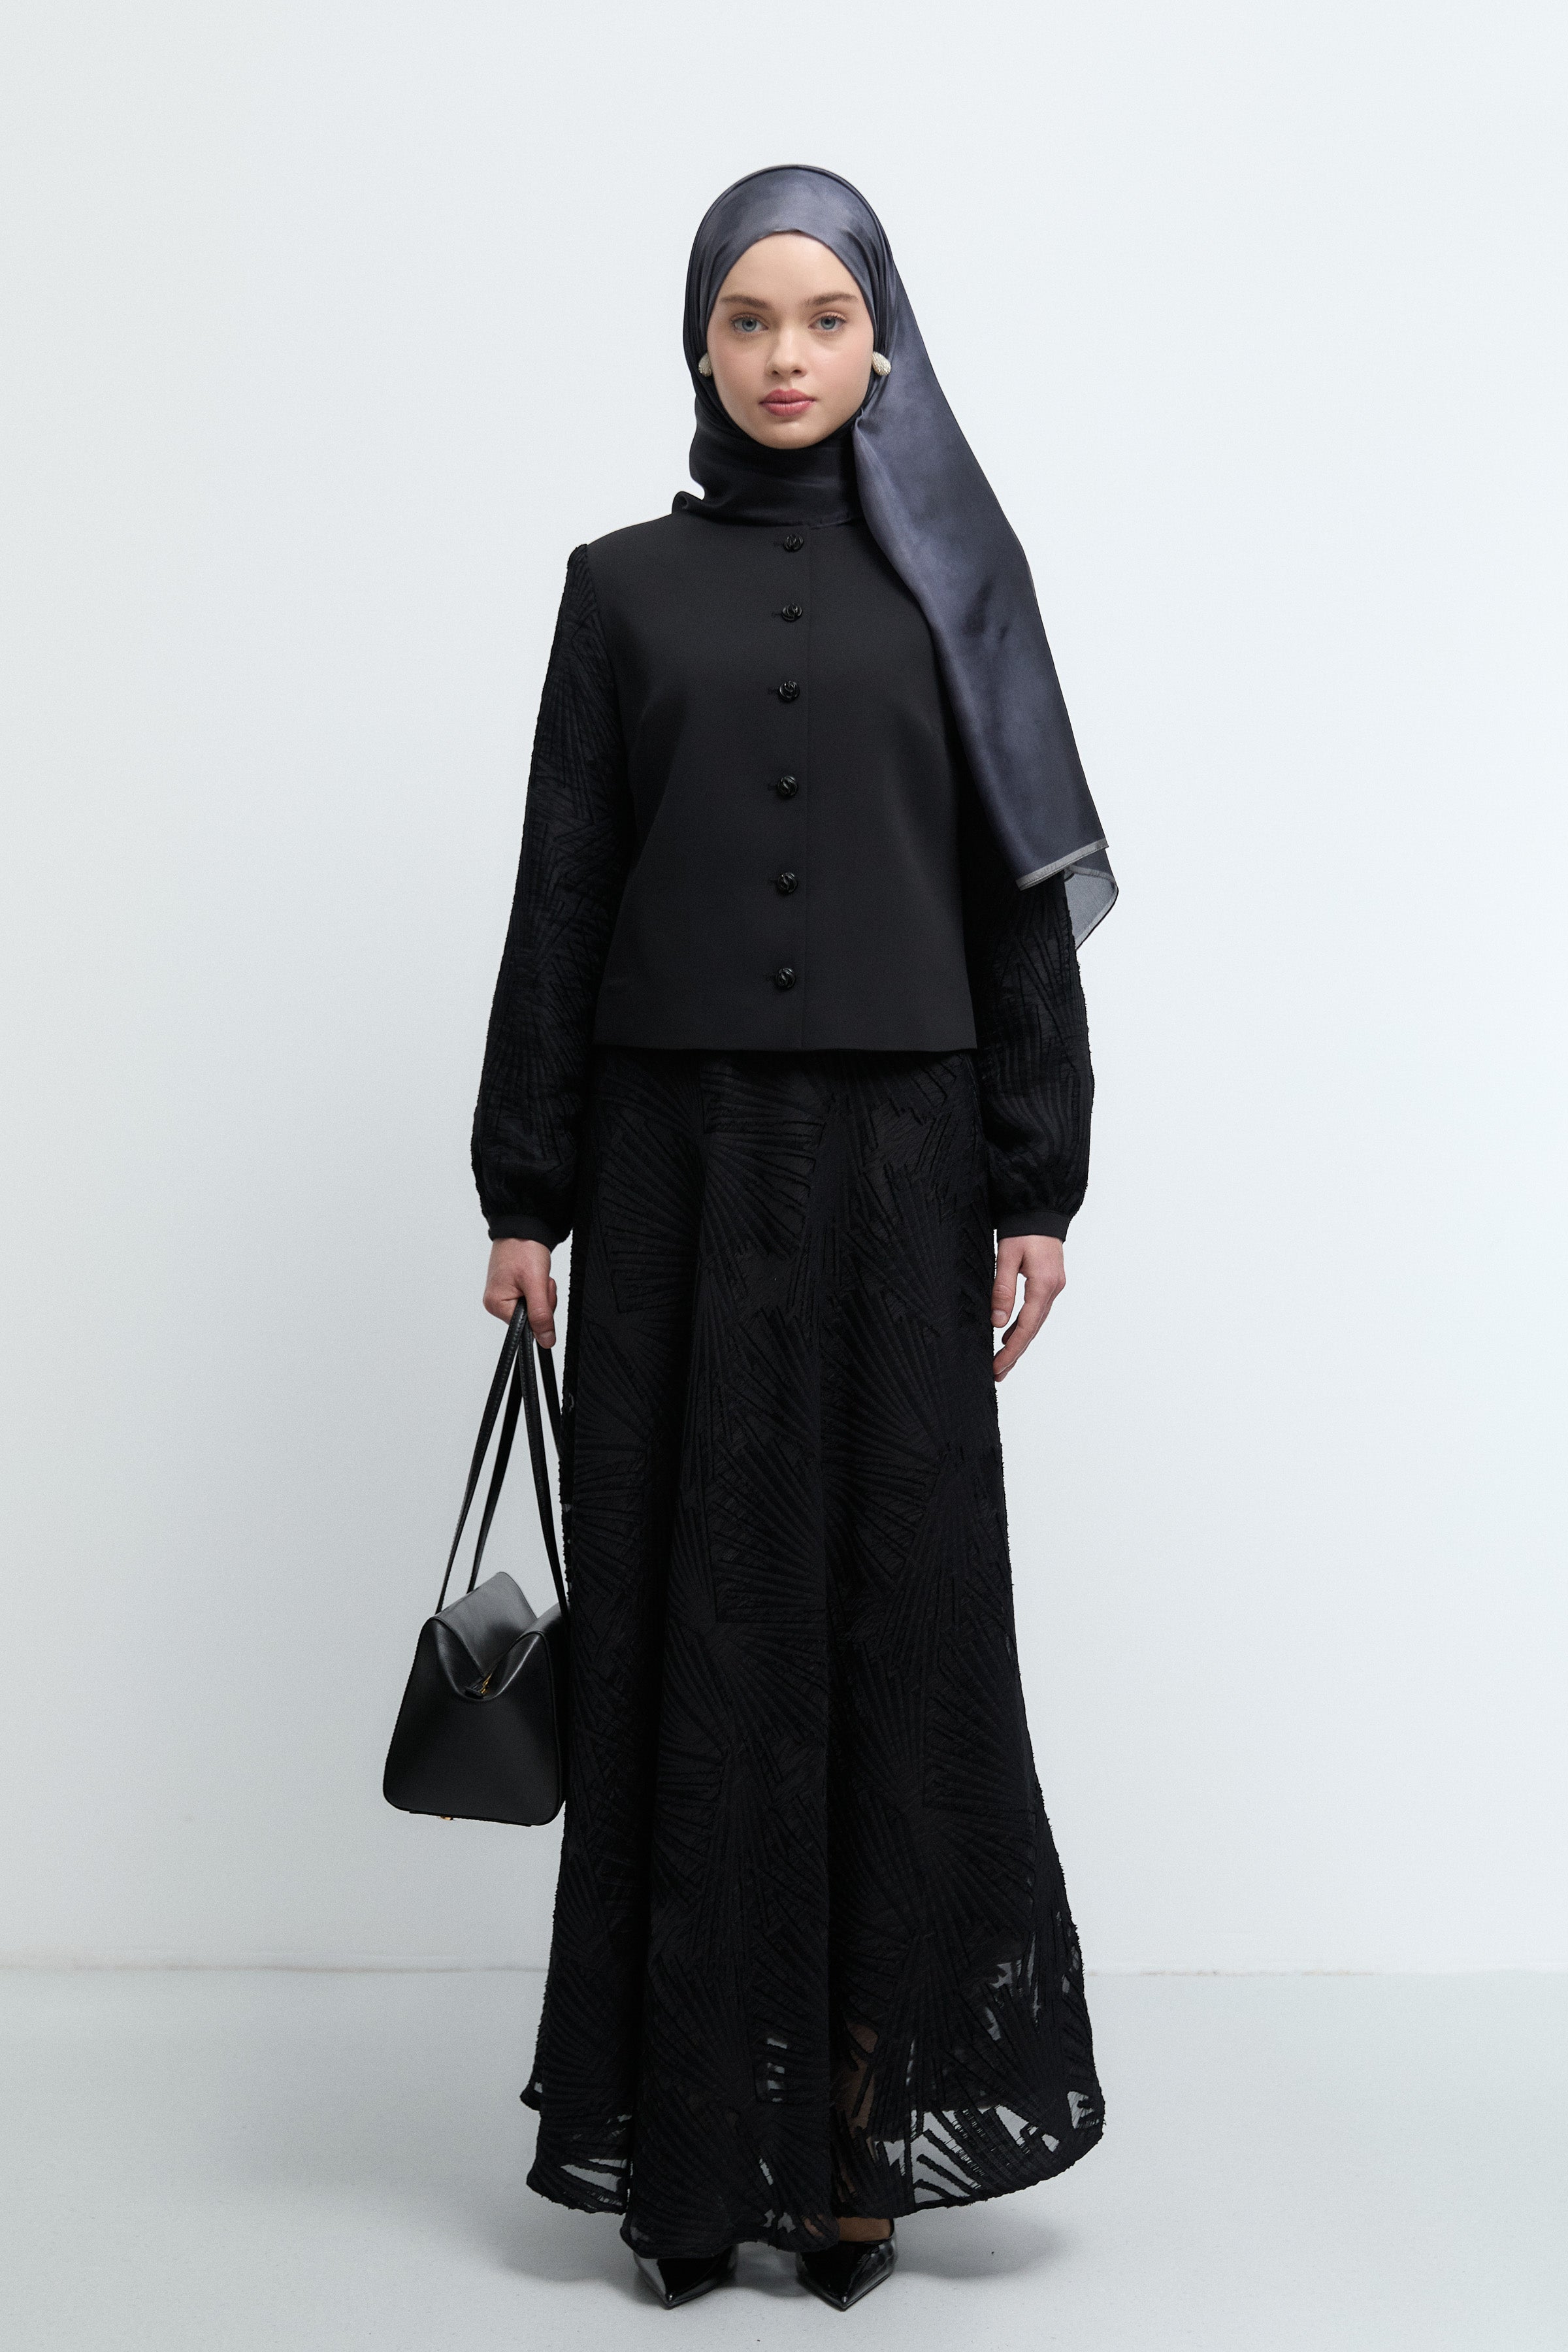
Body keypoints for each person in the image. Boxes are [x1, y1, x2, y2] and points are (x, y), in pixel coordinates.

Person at [471, 164, 1114, 2313]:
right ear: (700, 341)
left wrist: (1035, 1179)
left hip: (903, 1166)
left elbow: (1021, 896)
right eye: (748, 319)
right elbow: (564, 886)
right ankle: (680, 2158)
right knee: (687, 1627)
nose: (783, 356)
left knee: (887, 1625)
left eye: (824, 319)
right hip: (671, 1172)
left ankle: (851, 2159)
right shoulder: (616, 592)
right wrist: (525, 1191)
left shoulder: (961, 587)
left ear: (882, 344)